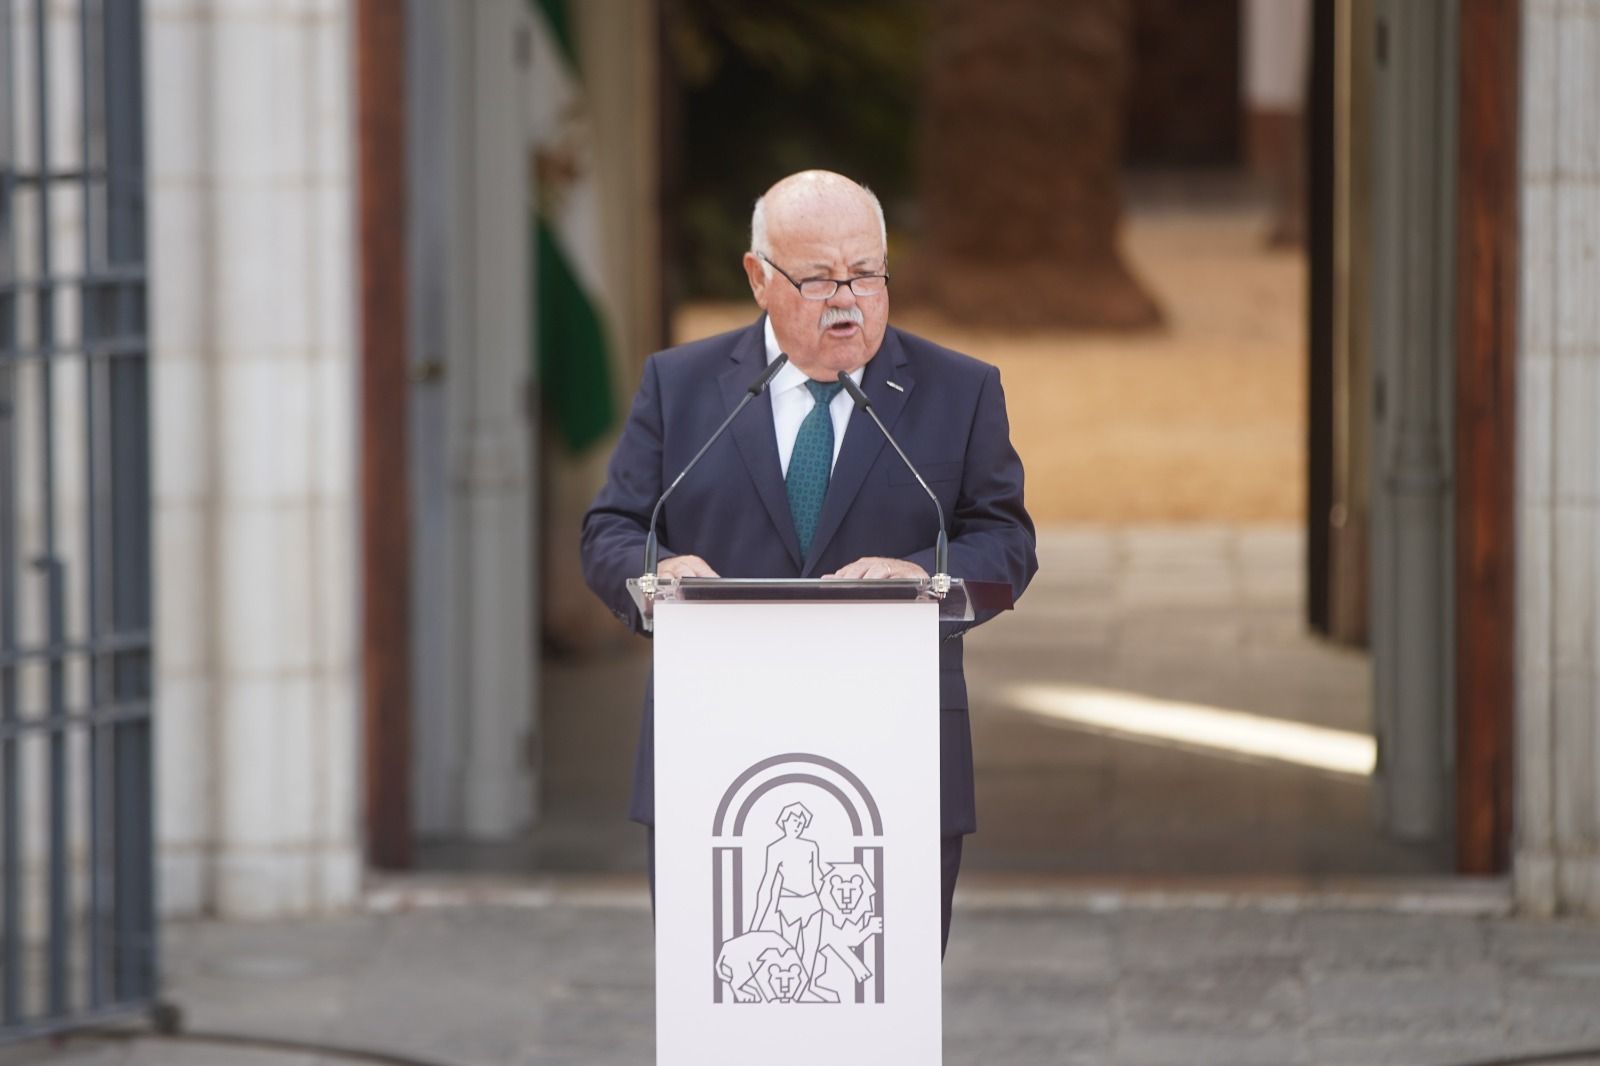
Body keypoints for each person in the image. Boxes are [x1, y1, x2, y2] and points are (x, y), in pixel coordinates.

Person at [581, 169, 1037, 953]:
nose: (847, 298)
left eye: (866, 273)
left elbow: (1006, 542)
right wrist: (655, 580)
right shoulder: (680, 386)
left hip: (898, 754)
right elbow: (613, 529)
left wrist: (927, 582)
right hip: (713, 748)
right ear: (759, 277)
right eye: (819, 277)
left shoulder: (959, 392)